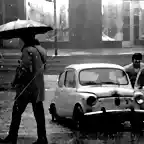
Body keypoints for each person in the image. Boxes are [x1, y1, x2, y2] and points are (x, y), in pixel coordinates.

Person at [0, 35, 48, 144]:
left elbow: (24, 69)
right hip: (38, 87)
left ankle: (12, 137)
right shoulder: (42, 51)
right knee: (39, 114)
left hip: (26, 87)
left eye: (21, 41)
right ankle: (42, 138)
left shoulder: (27, 50)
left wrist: (15, 81)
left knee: (16, 112)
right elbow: (43, 67)